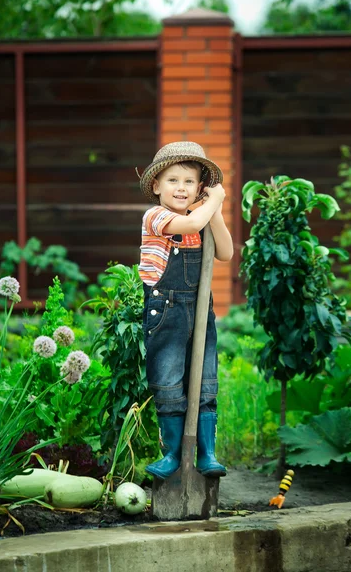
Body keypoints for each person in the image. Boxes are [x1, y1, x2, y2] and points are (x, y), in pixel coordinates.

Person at [138, 141, 233, 480]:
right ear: (156, 186)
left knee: (206, 382)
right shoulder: (156, 217)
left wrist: (216, 211)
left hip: (200, 312)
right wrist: (215, 201)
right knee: (168, 382)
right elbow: (190, 227)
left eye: (189, 182)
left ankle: (206, 453)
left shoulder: (201, 218)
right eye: (173, 180)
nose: (181, 188)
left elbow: (225, 252)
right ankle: (172, 455)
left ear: (199, 188)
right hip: (166, 313)